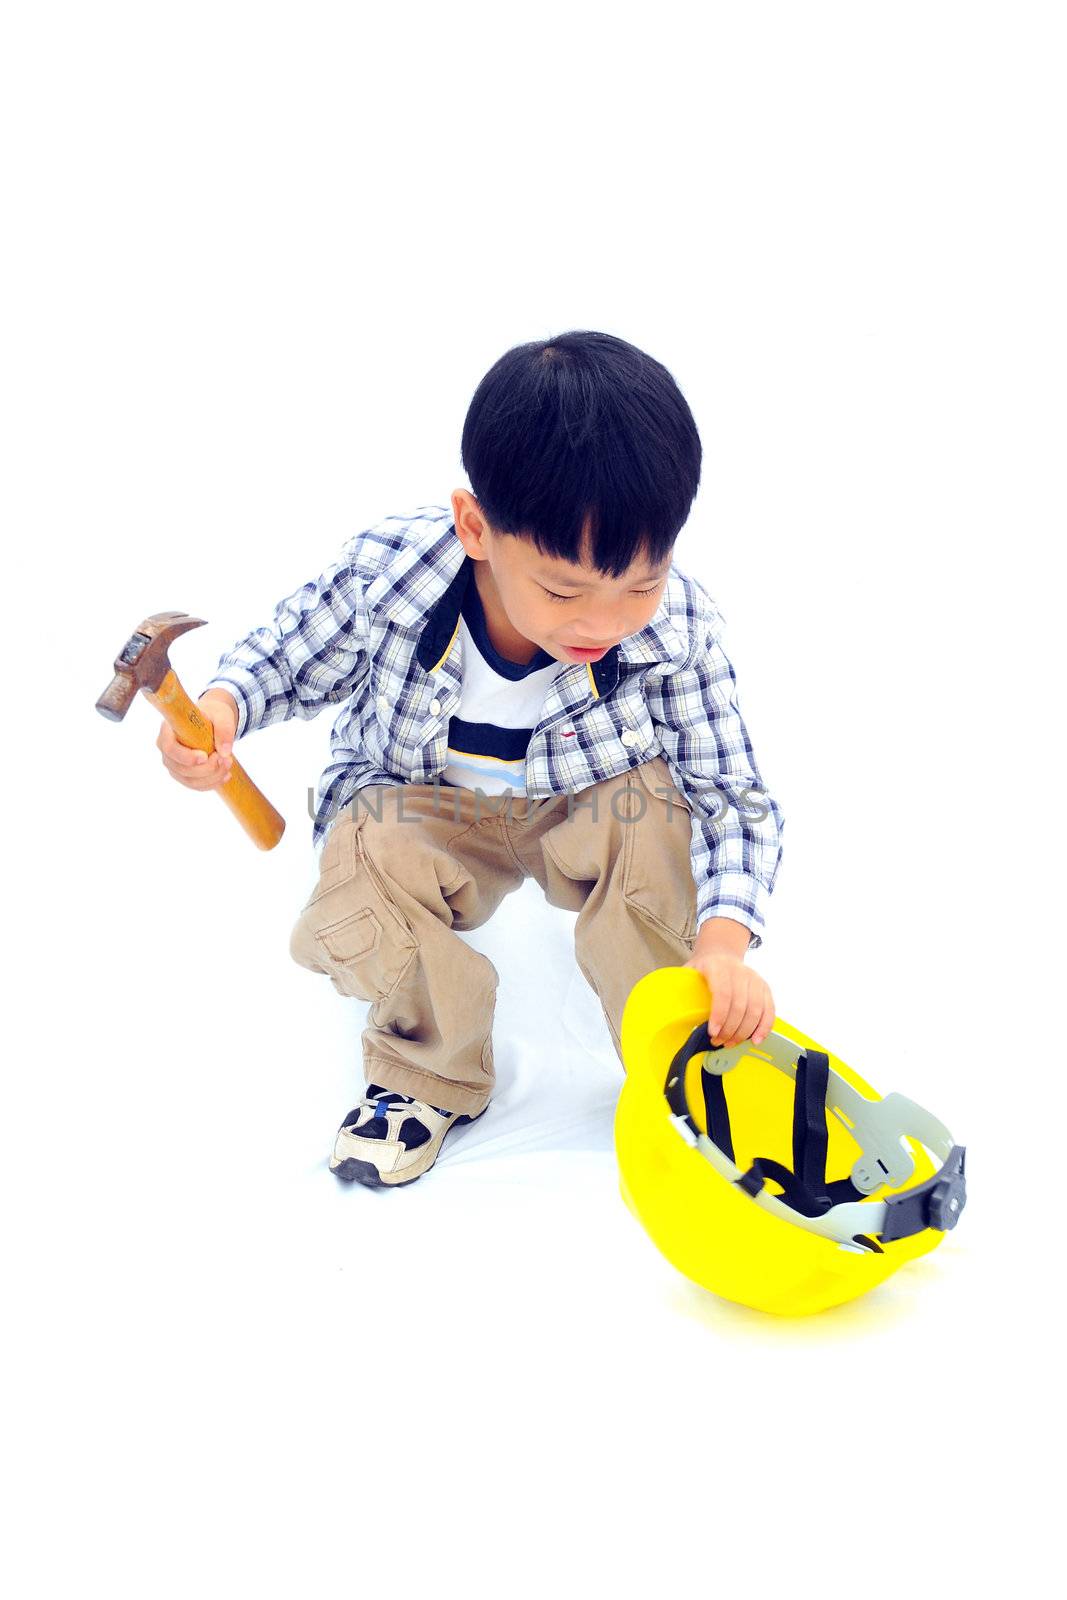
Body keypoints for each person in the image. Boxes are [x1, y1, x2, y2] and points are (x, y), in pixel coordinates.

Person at [156, 329, 785, 1189]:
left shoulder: (677, 630)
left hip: (588, 806)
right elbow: (286, 654)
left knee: (655, 829)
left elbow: (729, 794)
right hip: (431, 808)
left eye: (640, 583)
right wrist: (219, 711)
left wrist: (722, 943)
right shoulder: (392, 573)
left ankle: (681, 1059)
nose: (601, 623)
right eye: (563, 590)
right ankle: (428, 1073)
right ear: (475, 526)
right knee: (362, 850)